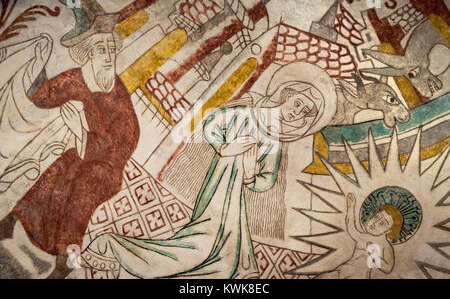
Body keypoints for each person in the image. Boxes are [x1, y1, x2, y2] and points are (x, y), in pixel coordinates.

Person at [68, 62, 337, 279]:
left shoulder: (276, 143)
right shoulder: (246, 114)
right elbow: (211, 126)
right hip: (218, 188)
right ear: (286, 95)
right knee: (205, 240)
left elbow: (266, 180)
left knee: (225, 251)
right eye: (297, 103)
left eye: (305, 112)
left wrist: (251, 174)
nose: (297, 112)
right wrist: (226, 149)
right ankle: (113, 247)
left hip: (235, 203)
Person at [0, 0, 140, 279]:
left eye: (111, 50)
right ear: (89, 52)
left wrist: (82, 131)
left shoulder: (117, 91)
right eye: (101, 49)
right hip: (83, 152)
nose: (108, 56)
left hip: (107, 166)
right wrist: (37, 64)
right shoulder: (80, 77)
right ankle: (11, 222)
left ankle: (68, 261)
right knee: (57, 172)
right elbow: (46, 95)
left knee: (82, 192)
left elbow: (126, 138)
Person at [317, 193, 401, 279]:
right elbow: (351, 229)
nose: (375, 223)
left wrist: (373, 254)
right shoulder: (364, 237)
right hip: (342, 271)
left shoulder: (385, 246)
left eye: (382, 223)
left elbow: (388, 268)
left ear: (389, 230)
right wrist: (351, 207)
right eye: (376, 217)